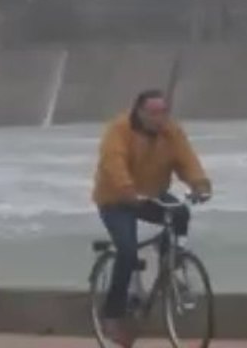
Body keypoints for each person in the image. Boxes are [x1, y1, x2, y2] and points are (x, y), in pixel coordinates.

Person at [91, 88, 212, 345]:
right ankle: (112, 314)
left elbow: (187, 160)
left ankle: (172, 265)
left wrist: (199, 184)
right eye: (154, 113)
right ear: (139, 112)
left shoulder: (171, 132)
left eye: (164, 112)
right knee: (127, 251)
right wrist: (127, 191)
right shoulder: (119, 130)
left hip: (152, 194)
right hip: (117, 199)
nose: (160, 118)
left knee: (181, 213)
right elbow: (113, 162)